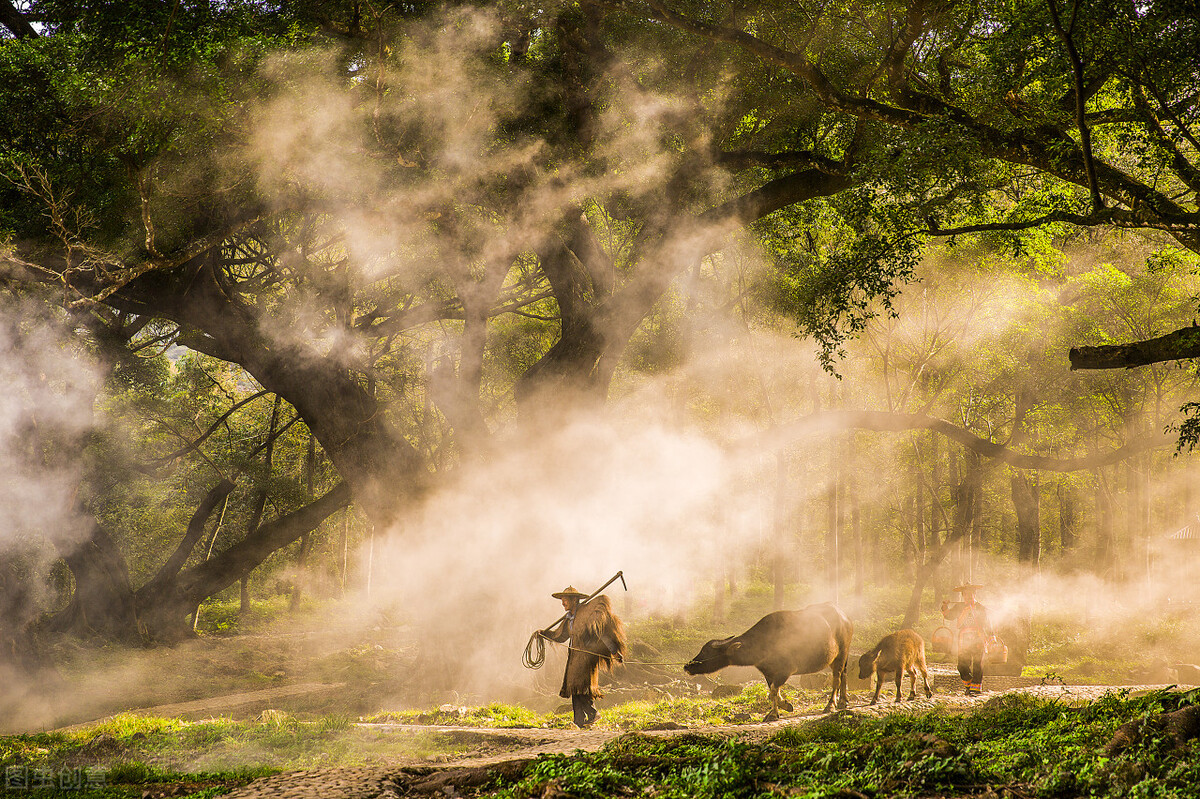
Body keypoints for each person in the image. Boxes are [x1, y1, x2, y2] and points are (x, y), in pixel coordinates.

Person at [540, 586, 627, 728]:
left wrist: (614, 651)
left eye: (565, 599)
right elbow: (560, 636)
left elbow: (601, 633)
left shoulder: (586, 614)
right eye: (562, 600)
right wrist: (543, 634)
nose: (563, 603)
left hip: (586, 657)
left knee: (582, 688)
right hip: (574, 658)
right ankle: (578, 721)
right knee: (574, 688)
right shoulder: (568, 620)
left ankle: (592, 713)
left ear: (574, 600)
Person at [941, 583, 996, 696]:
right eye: (965, 594)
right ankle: (969, 685)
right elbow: (948, 616)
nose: (968, 596)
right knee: (962, 665)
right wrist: (945, 606)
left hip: (978, 638)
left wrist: (992, 636)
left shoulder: (981, 607)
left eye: (970, 594)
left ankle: (975, 689)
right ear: (963, 596)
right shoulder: (959, 607)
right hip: (964, 639)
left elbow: (988, 623)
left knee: (977, 663)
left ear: (974, 594)